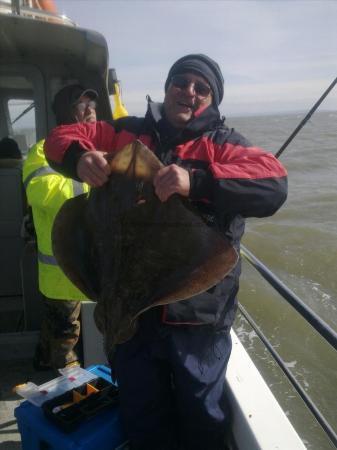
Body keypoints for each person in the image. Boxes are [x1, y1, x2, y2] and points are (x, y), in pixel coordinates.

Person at [44, 55, 288, 449]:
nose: (188, 92)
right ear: (167, 87)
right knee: (142, 413)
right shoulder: (124, 133)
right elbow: (58, 138)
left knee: (200, 414)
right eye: (181, 82)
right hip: (128, 310)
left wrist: (197, 181)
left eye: (201, 87)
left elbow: (274, 184)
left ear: (213, 99)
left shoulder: (223, 145)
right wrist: (80, 158)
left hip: (197, 318)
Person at [23, 84, 97, 370]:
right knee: (64, 339)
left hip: (94, 268)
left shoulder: (103, 148)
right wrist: (98, 187)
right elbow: (42, 192)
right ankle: (63, 394)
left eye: (93, 104)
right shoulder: (42, 150)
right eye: (82, 105)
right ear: (67, 112)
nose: (91, 110)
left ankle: (44, 361)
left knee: (64, 332)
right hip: (61, 273)